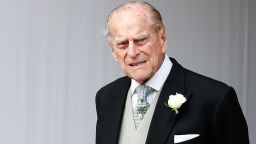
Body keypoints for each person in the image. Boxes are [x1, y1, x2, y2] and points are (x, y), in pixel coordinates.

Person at [95, 1, 249, 144]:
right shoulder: (106, 97)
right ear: (114, 52)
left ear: (163, 38)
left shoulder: (215, 98)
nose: (132, 52)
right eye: (122, 44)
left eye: (141, 40)